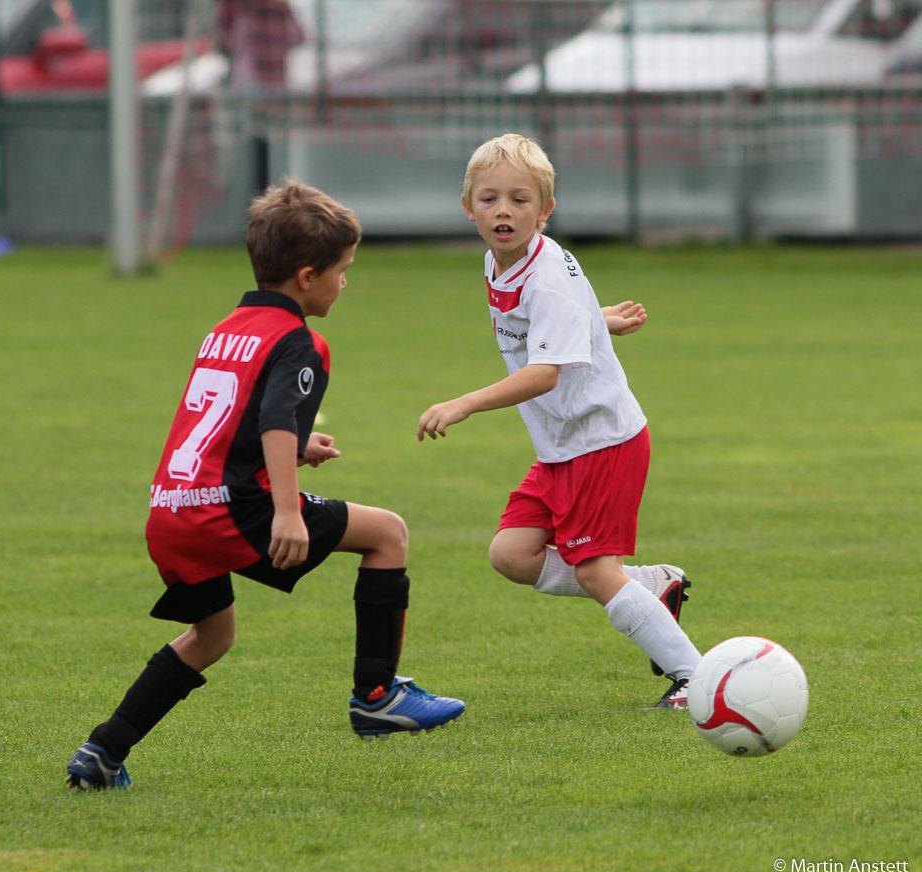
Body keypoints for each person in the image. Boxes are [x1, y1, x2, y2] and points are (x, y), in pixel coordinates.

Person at [67, 181, 464, 790]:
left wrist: (297, 450)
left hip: (171, 508)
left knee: (212, 636)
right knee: (388, 534)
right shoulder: (300, 341)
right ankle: (378, 696)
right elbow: (276, 419)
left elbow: (226, 421)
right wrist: (286, 509)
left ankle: (102, 751)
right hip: (231, 508)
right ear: (307, 277)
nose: (345, 283)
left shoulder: (227, 327)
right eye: (342, 271)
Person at [416, 133, 701, 710]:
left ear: (545, 210)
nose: (503, 211)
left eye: (519, 200)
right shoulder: (501, 261)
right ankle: (652, 586)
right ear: (468, 207)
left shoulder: (544, 273)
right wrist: (595, 321)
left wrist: (465, 402)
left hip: (601, 440)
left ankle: (696, 676)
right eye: (490, 199)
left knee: (595, 571)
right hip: (560, 444)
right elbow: (549, 322)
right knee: (511, 554)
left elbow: (544, 373)